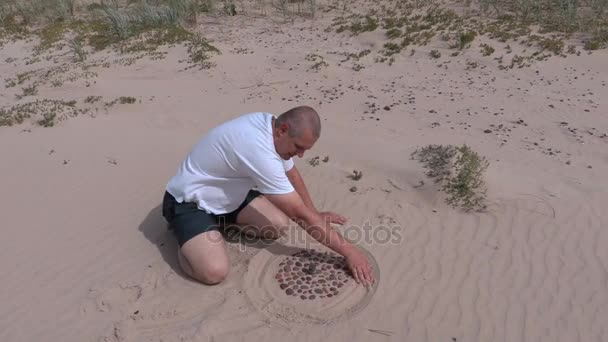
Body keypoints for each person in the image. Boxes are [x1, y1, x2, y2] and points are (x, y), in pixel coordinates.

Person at [162, 105, 375, 287]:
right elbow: (300, 216)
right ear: (283, 130)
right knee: (214, 272)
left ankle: (217, 226)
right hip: (189, 202)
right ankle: (185, 240)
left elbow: (291, 175)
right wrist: (350, 252)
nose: (300, 154)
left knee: (277, 225)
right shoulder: (256, 147)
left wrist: (315, 213)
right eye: (299, 147)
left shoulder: (269, 126)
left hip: (228, 196)